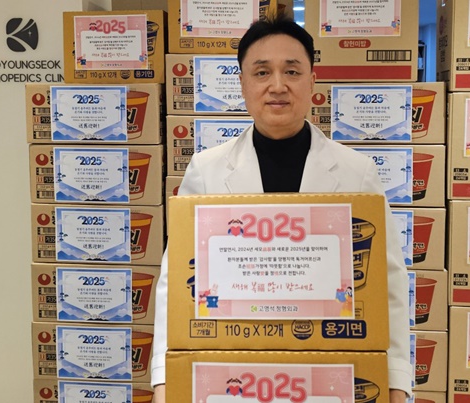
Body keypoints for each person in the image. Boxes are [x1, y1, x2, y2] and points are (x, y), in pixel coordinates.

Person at [151, 14, 412, 403]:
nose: (277, 86)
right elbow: (176, 279)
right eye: (262, 73)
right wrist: (163, 377)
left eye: (292, 71)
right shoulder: (206, 170)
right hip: (233, 369)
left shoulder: (356, 172)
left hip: (327, 369)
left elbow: (387, 283)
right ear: (243, 84)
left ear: (312, 81)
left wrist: (395, 380)